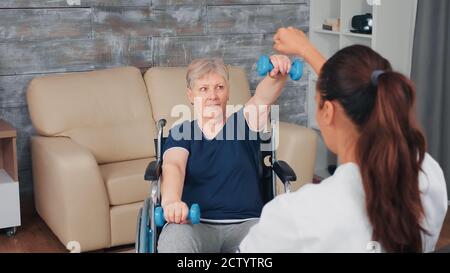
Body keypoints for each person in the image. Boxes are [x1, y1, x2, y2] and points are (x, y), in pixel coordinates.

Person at [239, 27, 448, 253]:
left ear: (328, 111)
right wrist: (305, 49)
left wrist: (305, 49)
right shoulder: (428, 176)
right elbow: (354, 91)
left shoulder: (294, 217)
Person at [157, 56, 292, 253]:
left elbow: (263, 98)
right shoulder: (181, 131)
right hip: (194, 224)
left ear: (228, 92)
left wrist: (277, 75)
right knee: (174, 239)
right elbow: (174, 165)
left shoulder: (244, 123)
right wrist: (171, 202)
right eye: (203, 89)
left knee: (272, 241)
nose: (213, 95)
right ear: (190, 95)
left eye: (219, 87)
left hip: (246, 224)